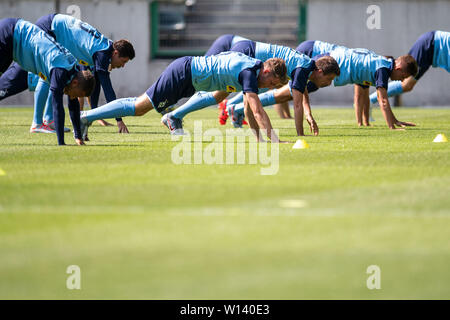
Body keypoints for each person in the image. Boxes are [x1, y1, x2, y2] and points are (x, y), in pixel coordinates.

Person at [80, 51, 288, 143]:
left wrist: (259, 138)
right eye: (271, 84)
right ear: (267, 72)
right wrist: (275, 141)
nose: (267, 87)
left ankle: (173, 118)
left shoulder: (252, 68)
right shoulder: (249, 73)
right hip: (183, 73)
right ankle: (85, 116)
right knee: (139, 107)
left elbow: (249, 107)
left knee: (218, 95)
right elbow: (257, 109)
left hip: (189, 77)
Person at [163, 38, 339, 137]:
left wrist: (308, 114)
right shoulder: (303, 69)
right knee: (221, 95)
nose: (328, 84)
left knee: (250, 95)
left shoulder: (306, 66)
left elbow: (301, 94)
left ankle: (236, 112)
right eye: (329, 79)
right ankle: (175, 115)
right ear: (320, 71)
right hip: (248, 53)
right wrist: (301, 137)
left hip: (248, 49)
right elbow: (298, 103)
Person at [31, 13, 135, 135]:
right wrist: (119, 120)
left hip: (54, 26)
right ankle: (37, 123)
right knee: (48, 76)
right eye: (123, 62)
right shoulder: (102, 54)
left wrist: (92, 114)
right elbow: (108, 90)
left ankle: (49, 121)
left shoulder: (106, 49)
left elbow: (96, 86)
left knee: (54, 76)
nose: (122, 66)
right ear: (116, 53)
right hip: (50, 27)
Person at [0, 17, 95, 145]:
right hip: (11, 33)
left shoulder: (73, 71)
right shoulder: (60, 71)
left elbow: (73, 105)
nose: (73, 97)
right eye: (76, 95)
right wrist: (61, 143)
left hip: (14, 36)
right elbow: (57, 106)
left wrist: (78, 136)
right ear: (75, 83)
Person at [297, 40, 418, 129]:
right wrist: (392, 126)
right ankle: (278, 91)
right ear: (398, 68)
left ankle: (280, 86)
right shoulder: (383, 69)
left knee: (299, 82)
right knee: (297, 80)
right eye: (403, 77)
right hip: (337, 60)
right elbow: (383, 101)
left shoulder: (373, 68)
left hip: (339, 57)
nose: (402, 81)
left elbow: (362, 95)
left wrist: (364, 123)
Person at [369, 31, 450, 104]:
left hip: (433, 45)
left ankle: (370, 100)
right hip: (431, 43)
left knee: (407, 85)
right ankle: (370, 101)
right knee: (406, 84)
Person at [0, 62, 71, 133]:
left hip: (34, 67)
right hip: (25, 68)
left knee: (55, 80)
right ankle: (37, 124)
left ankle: (49, 120)